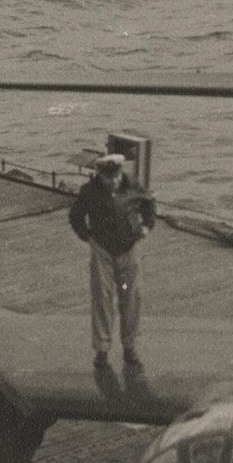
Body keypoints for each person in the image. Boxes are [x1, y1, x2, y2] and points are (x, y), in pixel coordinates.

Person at [70, 153, 148, 371]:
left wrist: (146, 226)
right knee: (103, 297)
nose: (112, 182)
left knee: (130, 297)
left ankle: (130, 347)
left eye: (115, 177)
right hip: (103, 253)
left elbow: (149, 204)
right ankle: (102, 349)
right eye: (107, 179)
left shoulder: (132, 186)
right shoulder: (89, 191)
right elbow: (75, 216)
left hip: (128, 251)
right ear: (100, 175)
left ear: (120, 173)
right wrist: (87, 236)